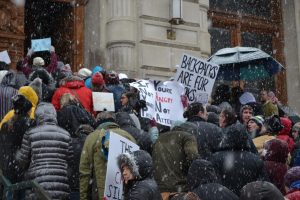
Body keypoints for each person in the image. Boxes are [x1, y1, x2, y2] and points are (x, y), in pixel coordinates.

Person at [15, 103, 71, 199]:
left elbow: (22, 160)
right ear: (54, 115)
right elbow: (70, 161)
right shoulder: (66, 135)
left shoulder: (30, 133)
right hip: (61, 185)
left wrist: (16, 154)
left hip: (37, 184)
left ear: (37, 116)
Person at [79, 111, 136, 200]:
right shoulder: (129, 137)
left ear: (98, 121)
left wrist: (83, 197)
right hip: (125, 192)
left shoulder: (92, 137)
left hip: (101, 193)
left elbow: (85, 171)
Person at [209, 119, 265, 195]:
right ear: (245, 138)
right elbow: (264, 186)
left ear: (227, 137)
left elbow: (211, 183)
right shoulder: (256, 160)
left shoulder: (215, 158)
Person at [152, 121, 199, 199]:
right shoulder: (188, 137)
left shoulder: (159, 138)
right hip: (179, 189)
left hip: (160, 190)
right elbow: (193, 158)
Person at [0, 94, 34, 184]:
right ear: (26, 111)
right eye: (30, 109)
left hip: (6, 165)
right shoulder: (27, 125)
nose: (31, 112)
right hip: (18, 167)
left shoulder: (6, 125)